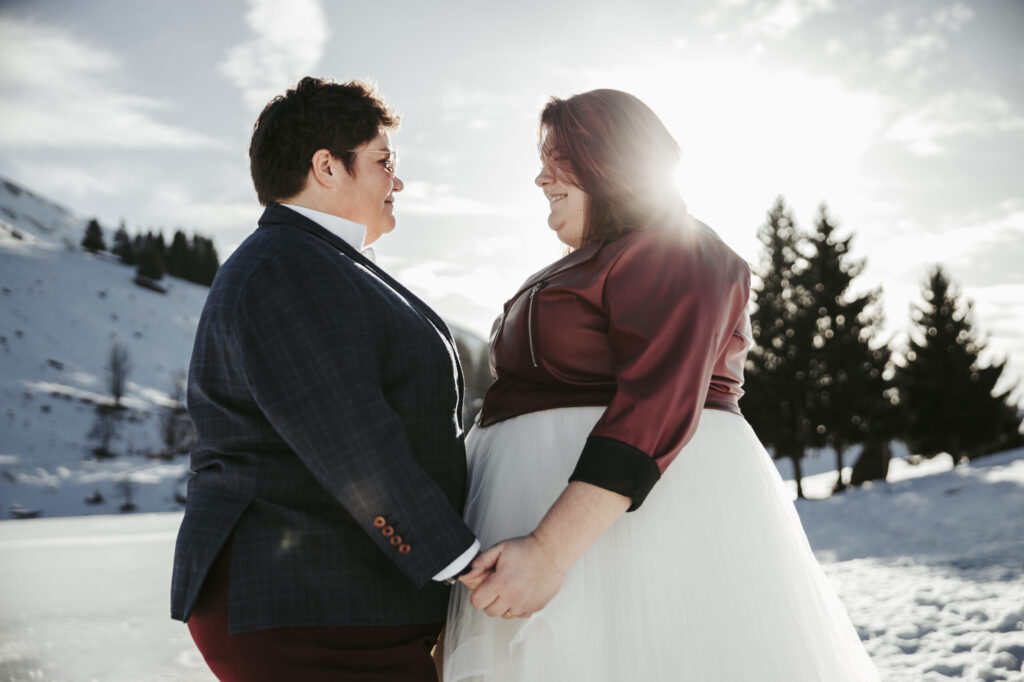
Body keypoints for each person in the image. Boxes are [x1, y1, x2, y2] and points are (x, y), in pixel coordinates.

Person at [443, 89, 879, 681]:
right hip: (542, 528)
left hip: (632, 538)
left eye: (558, 156)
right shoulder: (587, 261)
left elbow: (657, 401)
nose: (540, 176)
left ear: (610, 157)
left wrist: (548, 552)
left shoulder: (679, 247)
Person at [170, 77, 479, 681]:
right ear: (326, 167)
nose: (398, 182)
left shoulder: (317, 263)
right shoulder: (286, 267)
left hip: (334, 598)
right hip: (301, 605)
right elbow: (349, 436)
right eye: (383, 162)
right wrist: (458, 558)